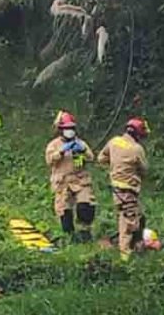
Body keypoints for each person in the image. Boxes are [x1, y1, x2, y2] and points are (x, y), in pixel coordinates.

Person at [98, 118, 150, 261]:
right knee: (128, 223)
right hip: (128, 191)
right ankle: (125, 256)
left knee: (138, 217)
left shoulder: (114, 141)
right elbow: (144, 170)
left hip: (116, 189)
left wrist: (115, 165)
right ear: (138, 134)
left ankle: (135, 245)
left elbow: (101, 158)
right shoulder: (137, 149)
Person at [45, 111, 96, 243]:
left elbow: (91, 158)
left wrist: (82, 151)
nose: (70, 131)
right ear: (61, 130)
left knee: (85, 206)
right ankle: (70, 237)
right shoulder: (54, 145)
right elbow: (50, 160)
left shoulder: (81, 143)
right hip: (62, 182)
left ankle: (85, 233)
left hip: (80, 179)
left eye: (72, 128)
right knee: (64, 212)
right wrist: (61, 151)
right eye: (67, 129)